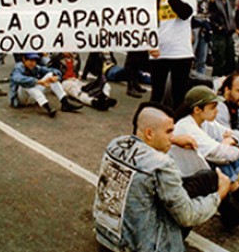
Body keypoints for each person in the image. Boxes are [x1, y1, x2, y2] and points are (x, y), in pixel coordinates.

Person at [93, 102, 230, 252]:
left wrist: (173, 141)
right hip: (138, 247)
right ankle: (234, 212)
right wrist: (218, 195)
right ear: (150, 133)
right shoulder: (162, 165)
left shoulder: (116, 144)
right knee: (205, 183)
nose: (172, 136)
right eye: (169, 132)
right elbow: (187, 216)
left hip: (105, 238)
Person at [174, 86, 239, 228]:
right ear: (197, 109)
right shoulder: (187, 127)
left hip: (200, 171)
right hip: (186, 181)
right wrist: (231, 146)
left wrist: (231, 141)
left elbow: (238, 135)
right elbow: (222, 154)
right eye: (212, 107)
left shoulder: (205, 122)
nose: (216, 111)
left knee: (226, 157)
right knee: (222, 162)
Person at [150, 0, 197, 110]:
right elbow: (148, 19)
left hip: (180, 52)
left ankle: (177, 128)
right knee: (156, 95)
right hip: (159, 51)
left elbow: (184, 13)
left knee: (179, 96)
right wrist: (149, 43)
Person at [9, 52, 82, 117]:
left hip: (32, 97)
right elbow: (17, 78)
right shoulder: (18, 67)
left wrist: (56, 76)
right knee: (27, 84)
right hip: (20, 99)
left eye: (34, 61)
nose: (33, 63)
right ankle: (47, 106)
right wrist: (39, 82)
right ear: (24, 59)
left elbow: (52, 70)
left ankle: (64, 103)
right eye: (30, 60)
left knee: (50, 75)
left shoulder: (35, 67)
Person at [49, 52, 116, 111]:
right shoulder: (57, 57)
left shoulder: (75, 56)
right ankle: (93, 102)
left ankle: (105, 97)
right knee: (78, 92)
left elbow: (77, 69)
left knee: (105, 85)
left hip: (76, 80)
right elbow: (50, 68)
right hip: (65, 82)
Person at [124, 0, 150, 97]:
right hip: (132, 28)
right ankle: (130, 85)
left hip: (141, 27)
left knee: (140, 57)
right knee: (132, 58)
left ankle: (135, 82)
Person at [184, 0, 213, 75]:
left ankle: (201, 78)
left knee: (202, 57)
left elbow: (212, 8)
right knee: (191, 55)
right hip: (194, 25)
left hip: (205, 25)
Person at [209, 0, 237, 77]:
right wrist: (219, 28)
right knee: (219, 60)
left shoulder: (227, 2)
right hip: (219, 35)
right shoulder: (214, 2)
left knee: (230, 60)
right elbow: (211, 18)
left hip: (229, 34)